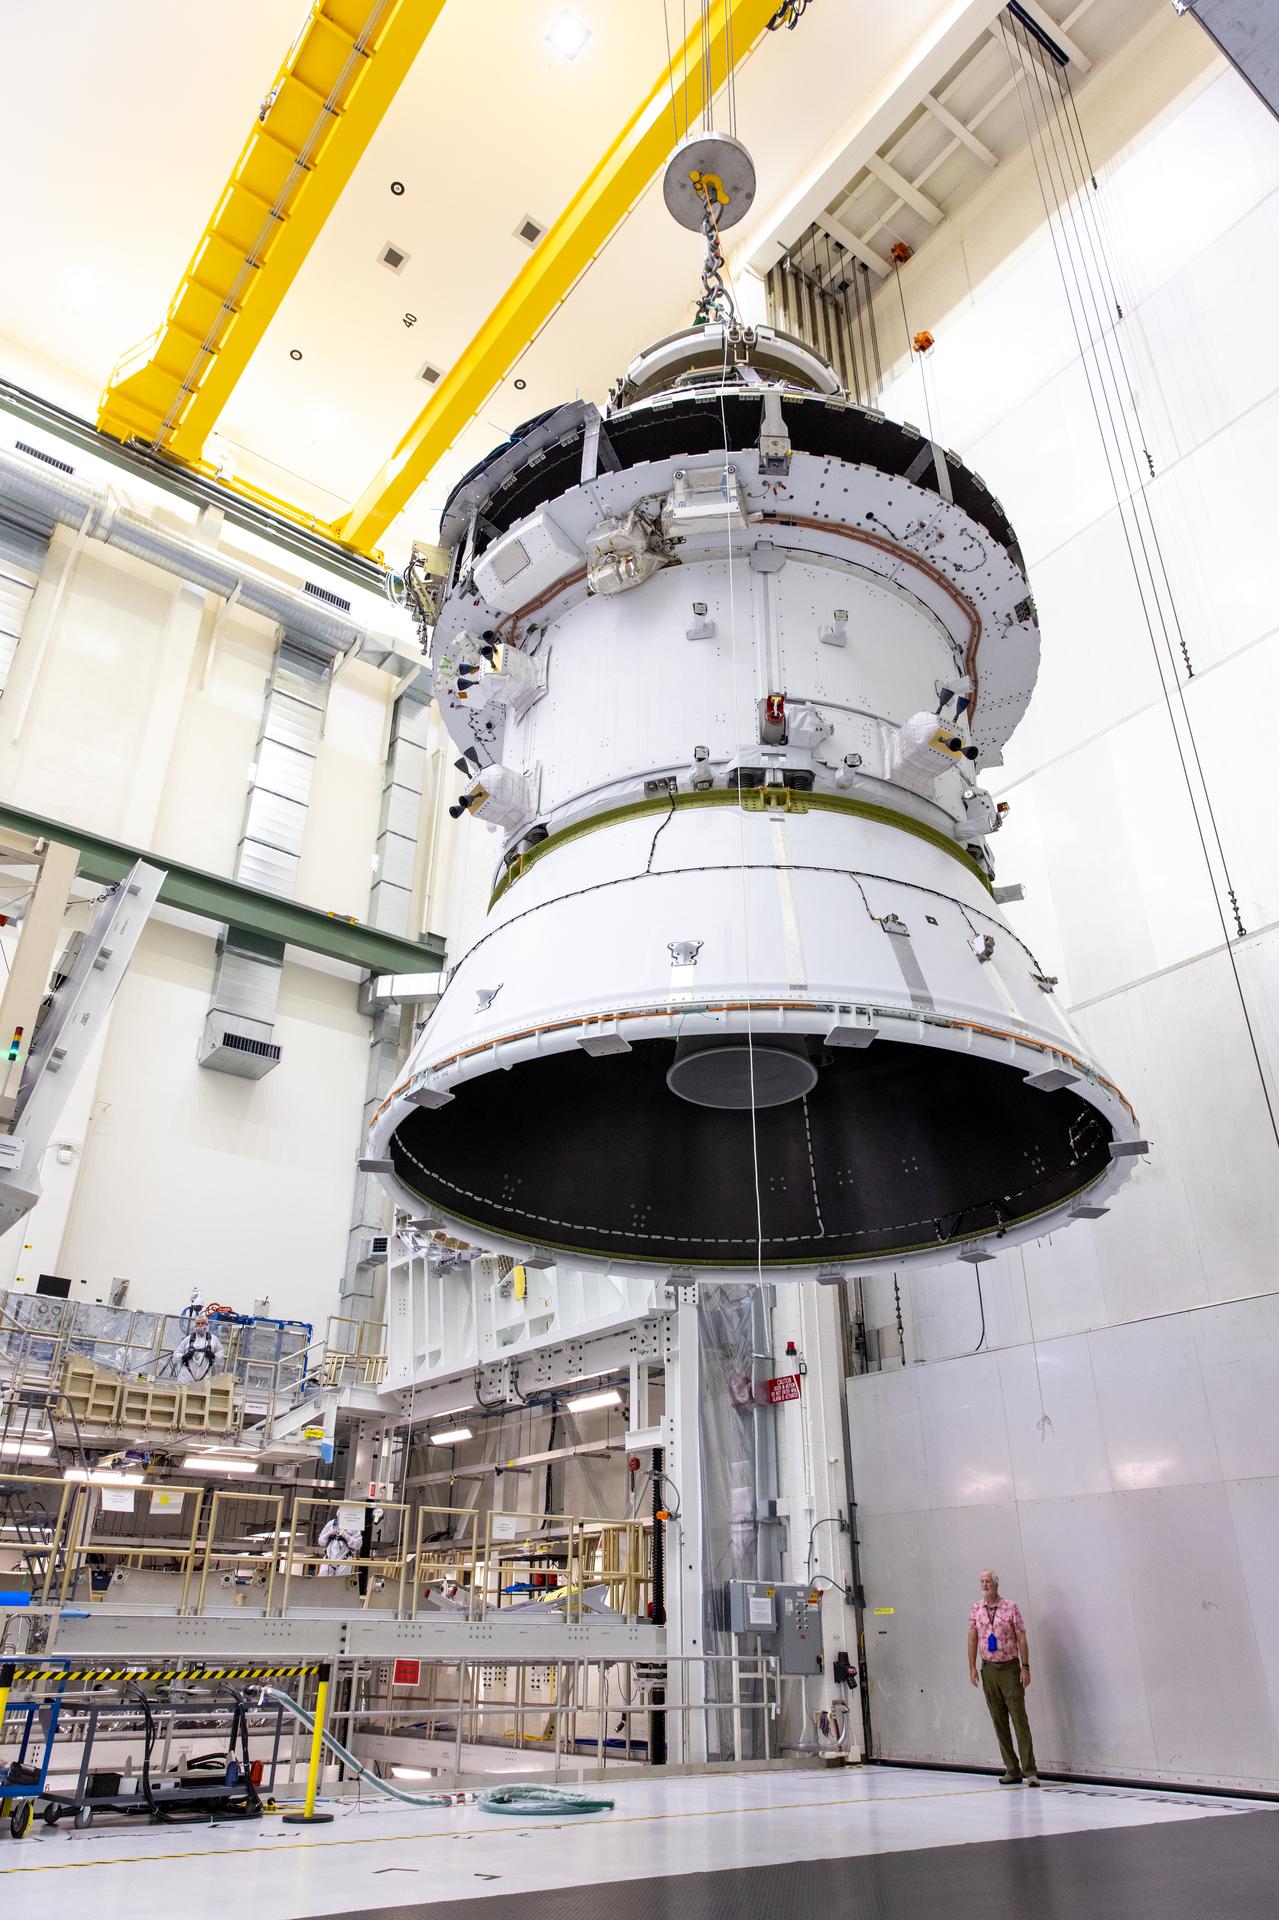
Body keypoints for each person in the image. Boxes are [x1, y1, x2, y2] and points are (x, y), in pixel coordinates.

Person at [967, 1567, 1039, 1786]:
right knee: (999, 1721)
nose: (984, 1585)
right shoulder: (976, 1609)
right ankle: (1012, 1768)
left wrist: (1025, 1667)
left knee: (1018, 1718)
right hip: (988, 1669)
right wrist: (972, 1667)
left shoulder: (1010, 1607)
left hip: (1009, 1668)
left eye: (988, 1581)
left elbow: (1022, 1638)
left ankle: (1030, 1770)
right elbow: (972, 1639)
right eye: (982, 1581)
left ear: (996, 1584)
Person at [173, 1313, 224, 1383]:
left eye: (203, 1323)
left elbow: (221, 1353)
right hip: (186, 1376)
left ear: (207, 1324)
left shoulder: (214, 1340)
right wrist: (184, 1356)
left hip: (205, 1376)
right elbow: (176, 1354)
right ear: (195, 1325)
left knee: (202, 1393)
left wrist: (213, 1356)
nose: (200, 1325)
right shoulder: (188, 1339)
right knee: (182, 1392)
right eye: (198, 1323)